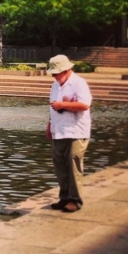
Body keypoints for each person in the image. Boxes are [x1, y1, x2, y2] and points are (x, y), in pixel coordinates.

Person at [45, 54, 92, 213]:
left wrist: (63, 105)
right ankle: (64, 197)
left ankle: (75, 199)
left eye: (56, 73)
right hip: (59, 130)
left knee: (73, 163)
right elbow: (53, 107)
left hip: (76, 131)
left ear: (66, 70)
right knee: (60, 165)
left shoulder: (79, 83)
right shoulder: (55, 85)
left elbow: (84, 105)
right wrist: (49, 125)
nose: (53, 75)